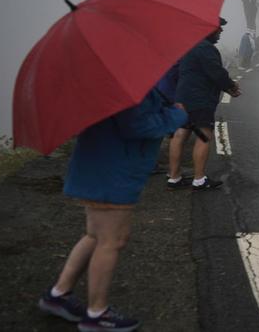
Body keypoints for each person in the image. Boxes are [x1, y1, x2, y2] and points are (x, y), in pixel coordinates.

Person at [37, 88, 187, 331]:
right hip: (114, 172)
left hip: (99, 166)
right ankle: (97, 314)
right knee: (112, 240)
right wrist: (177, 116)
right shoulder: (128, 85)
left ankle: (59, 294)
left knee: (95, 236)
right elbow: (138, 125)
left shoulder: (108, 83)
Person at [169, 18, 241, 190]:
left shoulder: (190, 46)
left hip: (182, 97)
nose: (221, 31)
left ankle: (174, 178)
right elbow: (216, 73)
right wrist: (231, 87)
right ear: (209, 29)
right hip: (200, 99)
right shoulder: (206, 48)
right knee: (204, 135)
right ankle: (199, 179)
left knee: (180, 135)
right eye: (218, 28)